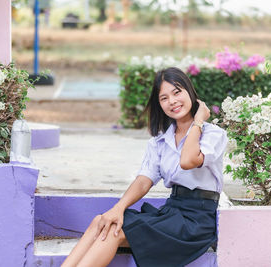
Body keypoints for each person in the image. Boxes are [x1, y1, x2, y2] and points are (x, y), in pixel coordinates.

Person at [61, 67, 227, 267]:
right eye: (164, 98)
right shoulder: (160, 141)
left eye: (177, 92)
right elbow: (143, 181)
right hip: (172, 211)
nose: (172, 101)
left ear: (190, 92)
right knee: (102, 222)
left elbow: (188, 160)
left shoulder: (213, 134)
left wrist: (198, 121)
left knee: (114, 232)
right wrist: (118, 208)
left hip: (195, 222)